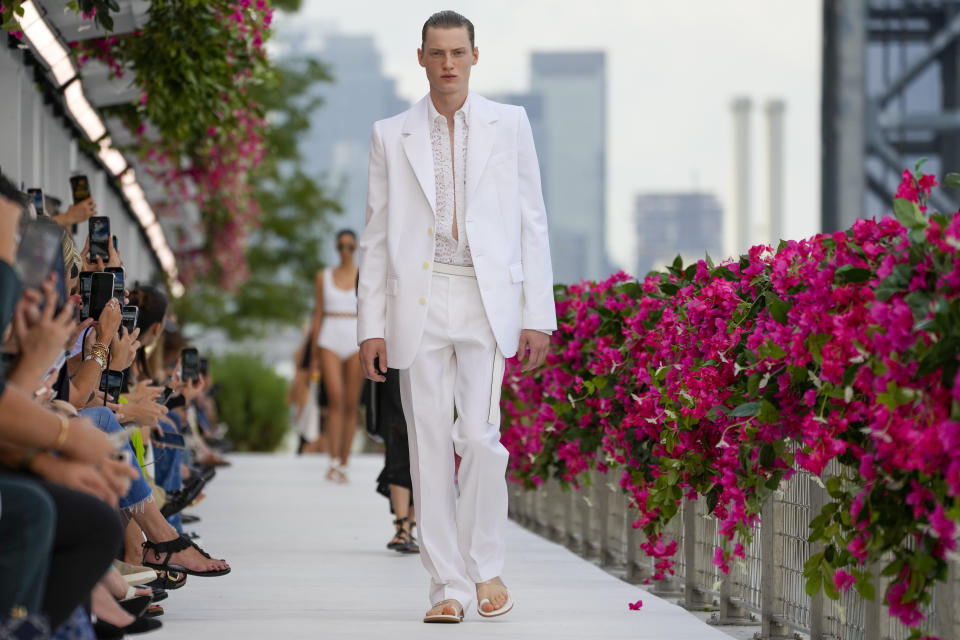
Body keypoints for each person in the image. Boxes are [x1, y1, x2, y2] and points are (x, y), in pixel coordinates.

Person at [357, 10, 556, 623]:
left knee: (479, 440)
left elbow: (531, 219)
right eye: (436, 53)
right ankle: (448, 584)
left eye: (457, 53)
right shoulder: (391, 134)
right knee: (428, 449)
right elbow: (377, 235)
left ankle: (485, 564)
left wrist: (538, 313)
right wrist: (370, 325)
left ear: (475, 56)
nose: (447, 63)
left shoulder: (510, 123)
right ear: (420, 58)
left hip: (484, 298)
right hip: (416, 303)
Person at [310, 230, 362, 483]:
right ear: (336, 247)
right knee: (335, 399)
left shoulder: (364, 275)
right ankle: (332, 460)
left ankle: (344, 463)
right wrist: (313, 357)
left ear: (357, 248)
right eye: (341, 246)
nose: (345, 251)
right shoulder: (324, 277)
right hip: (330, 335)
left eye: (350, 247)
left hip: (355, 335)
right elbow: (317, 313)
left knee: (352, 403)